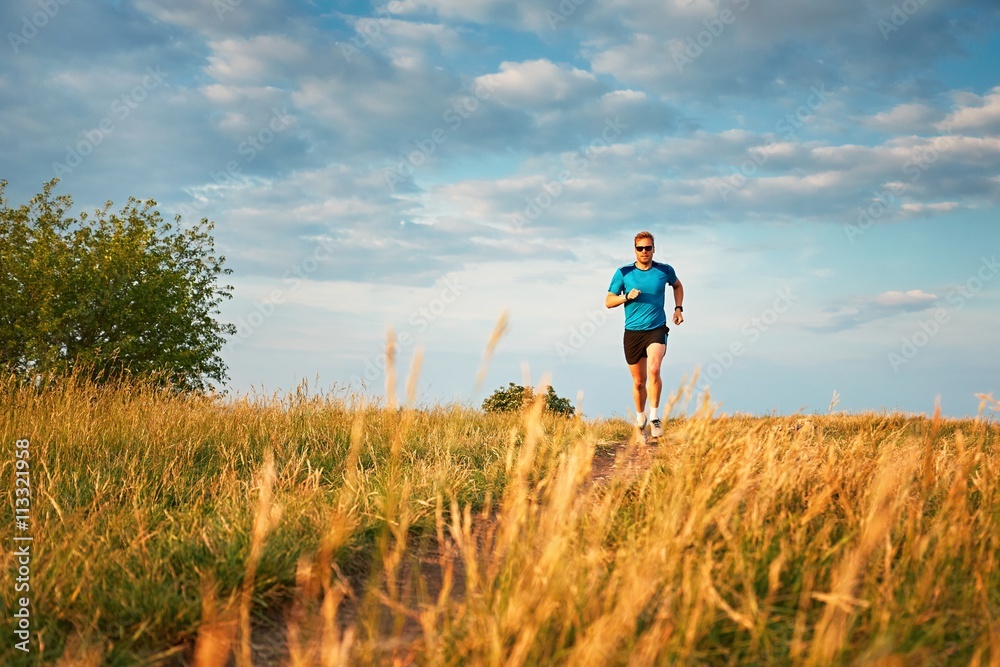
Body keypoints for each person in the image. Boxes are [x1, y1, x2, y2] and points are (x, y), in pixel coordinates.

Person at [605, 231, 684, 438]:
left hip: (656, 328)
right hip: (633, 332)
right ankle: (641, 417)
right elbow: (608, 301)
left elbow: (677, 285)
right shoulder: (624, 272)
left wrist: (678, 308)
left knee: (655, 368)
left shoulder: (664, 270)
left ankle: (655, 417)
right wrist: (626, 298)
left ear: (653, 249)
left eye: (648, 248)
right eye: (640, 248)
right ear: (635, 250)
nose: (644, 252)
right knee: (639, 382)